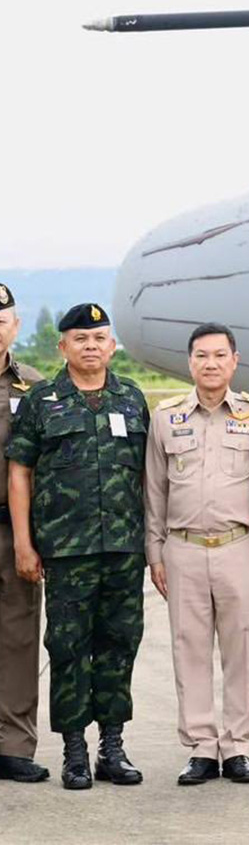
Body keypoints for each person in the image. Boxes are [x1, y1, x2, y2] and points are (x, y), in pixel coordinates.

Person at [5, 303, 147, 790]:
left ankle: (112, 746)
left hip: (124, 549)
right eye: (80, 339)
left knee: (119, 647)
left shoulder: (131, 397)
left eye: (100, 338)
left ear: (112, 346)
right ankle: (74, 753)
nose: (91, 346)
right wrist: (24, 543)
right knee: (67, 649)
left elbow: (149, 475)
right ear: (62, 346)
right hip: (66, 552)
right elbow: (20, 472)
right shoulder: (42, 400)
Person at [145, 324, 249, 785]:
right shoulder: (166, 418)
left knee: (242, 647)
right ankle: (202, 747)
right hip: (181, 547)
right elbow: (154, 490)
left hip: (239, 544)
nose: (211, 364)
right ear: (190, 362)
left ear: (235, 361)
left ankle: (238, 746)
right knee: (189, 647)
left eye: (220, 355)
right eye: (202, 356)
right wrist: (154, 551)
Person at [0, 281, 47, 783]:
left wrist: (30, 540)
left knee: (17, 636)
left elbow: (42, 468)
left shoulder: (34, 388)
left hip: (13, 529)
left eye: (1, 321)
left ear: (15, 325)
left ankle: (14, 744)